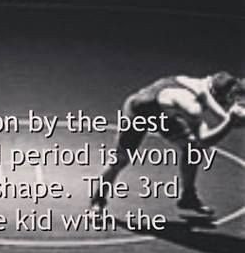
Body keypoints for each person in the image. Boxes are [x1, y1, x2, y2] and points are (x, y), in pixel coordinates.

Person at [90, 72, 244, 216]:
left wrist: (228, 117)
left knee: (192, 150)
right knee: (120, 160)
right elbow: (204, 139)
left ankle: (188, 197)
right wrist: (230, 121)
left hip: (163, 112)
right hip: (138, 112)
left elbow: (211, 101)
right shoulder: (192, 105)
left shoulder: (205, 84)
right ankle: (97, 201)